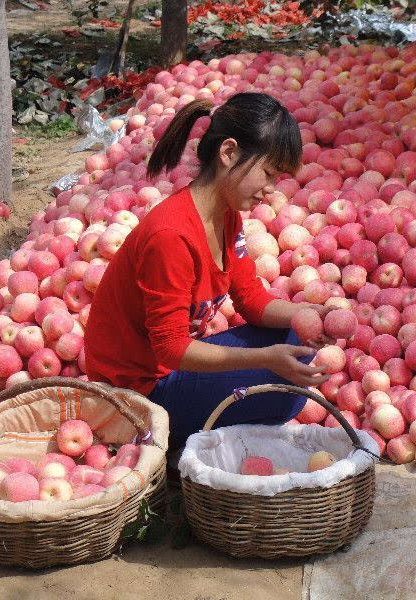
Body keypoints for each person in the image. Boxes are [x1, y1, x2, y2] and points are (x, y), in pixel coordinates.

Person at [84, 93, 333, 452]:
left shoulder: (226, 216)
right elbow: (170, 349)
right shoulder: (172, 236)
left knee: (296, 343)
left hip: (167, 371)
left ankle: (191, 437)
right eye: (267, 173)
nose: (270, 189)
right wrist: (265, 358)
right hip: (136, 395)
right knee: (285, 392)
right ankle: (165, 445)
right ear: (229, 153)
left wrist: (309, 315)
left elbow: (250, 300)